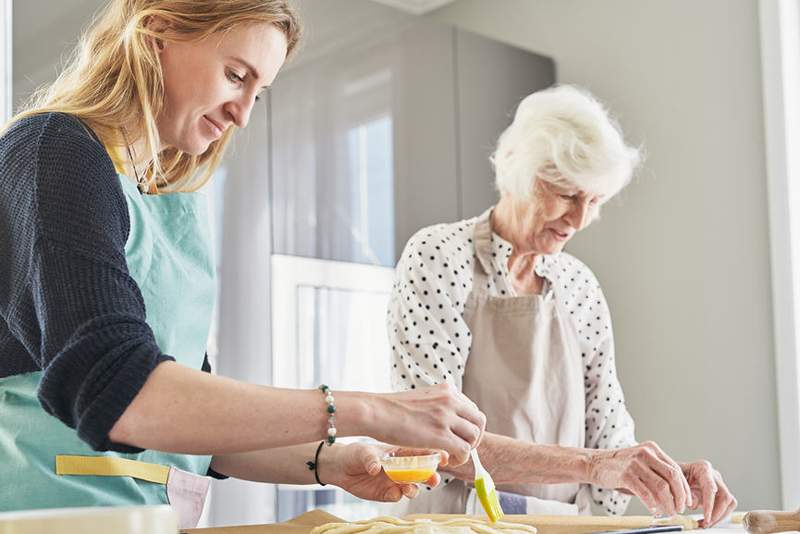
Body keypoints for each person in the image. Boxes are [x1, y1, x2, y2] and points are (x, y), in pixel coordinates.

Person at [0, 1, 486, 529]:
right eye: (235, 75)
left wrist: (329, 460)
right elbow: (124, 392)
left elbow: (191, 420)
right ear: (156, 32)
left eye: (260, 91)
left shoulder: (164, 203)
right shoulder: (54, 152)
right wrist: (371, 408)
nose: (243, 113)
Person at [387, 85, 736, 528]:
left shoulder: (579, 286)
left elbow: (609, 440)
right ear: (519, 172)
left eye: (596, 201)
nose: (579, 219)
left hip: (558, 525)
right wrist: (594, 464)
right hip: (453, 524)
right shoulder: (439, 256)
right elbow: (434, 440)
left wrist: (666, 478)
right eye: (568, 194)